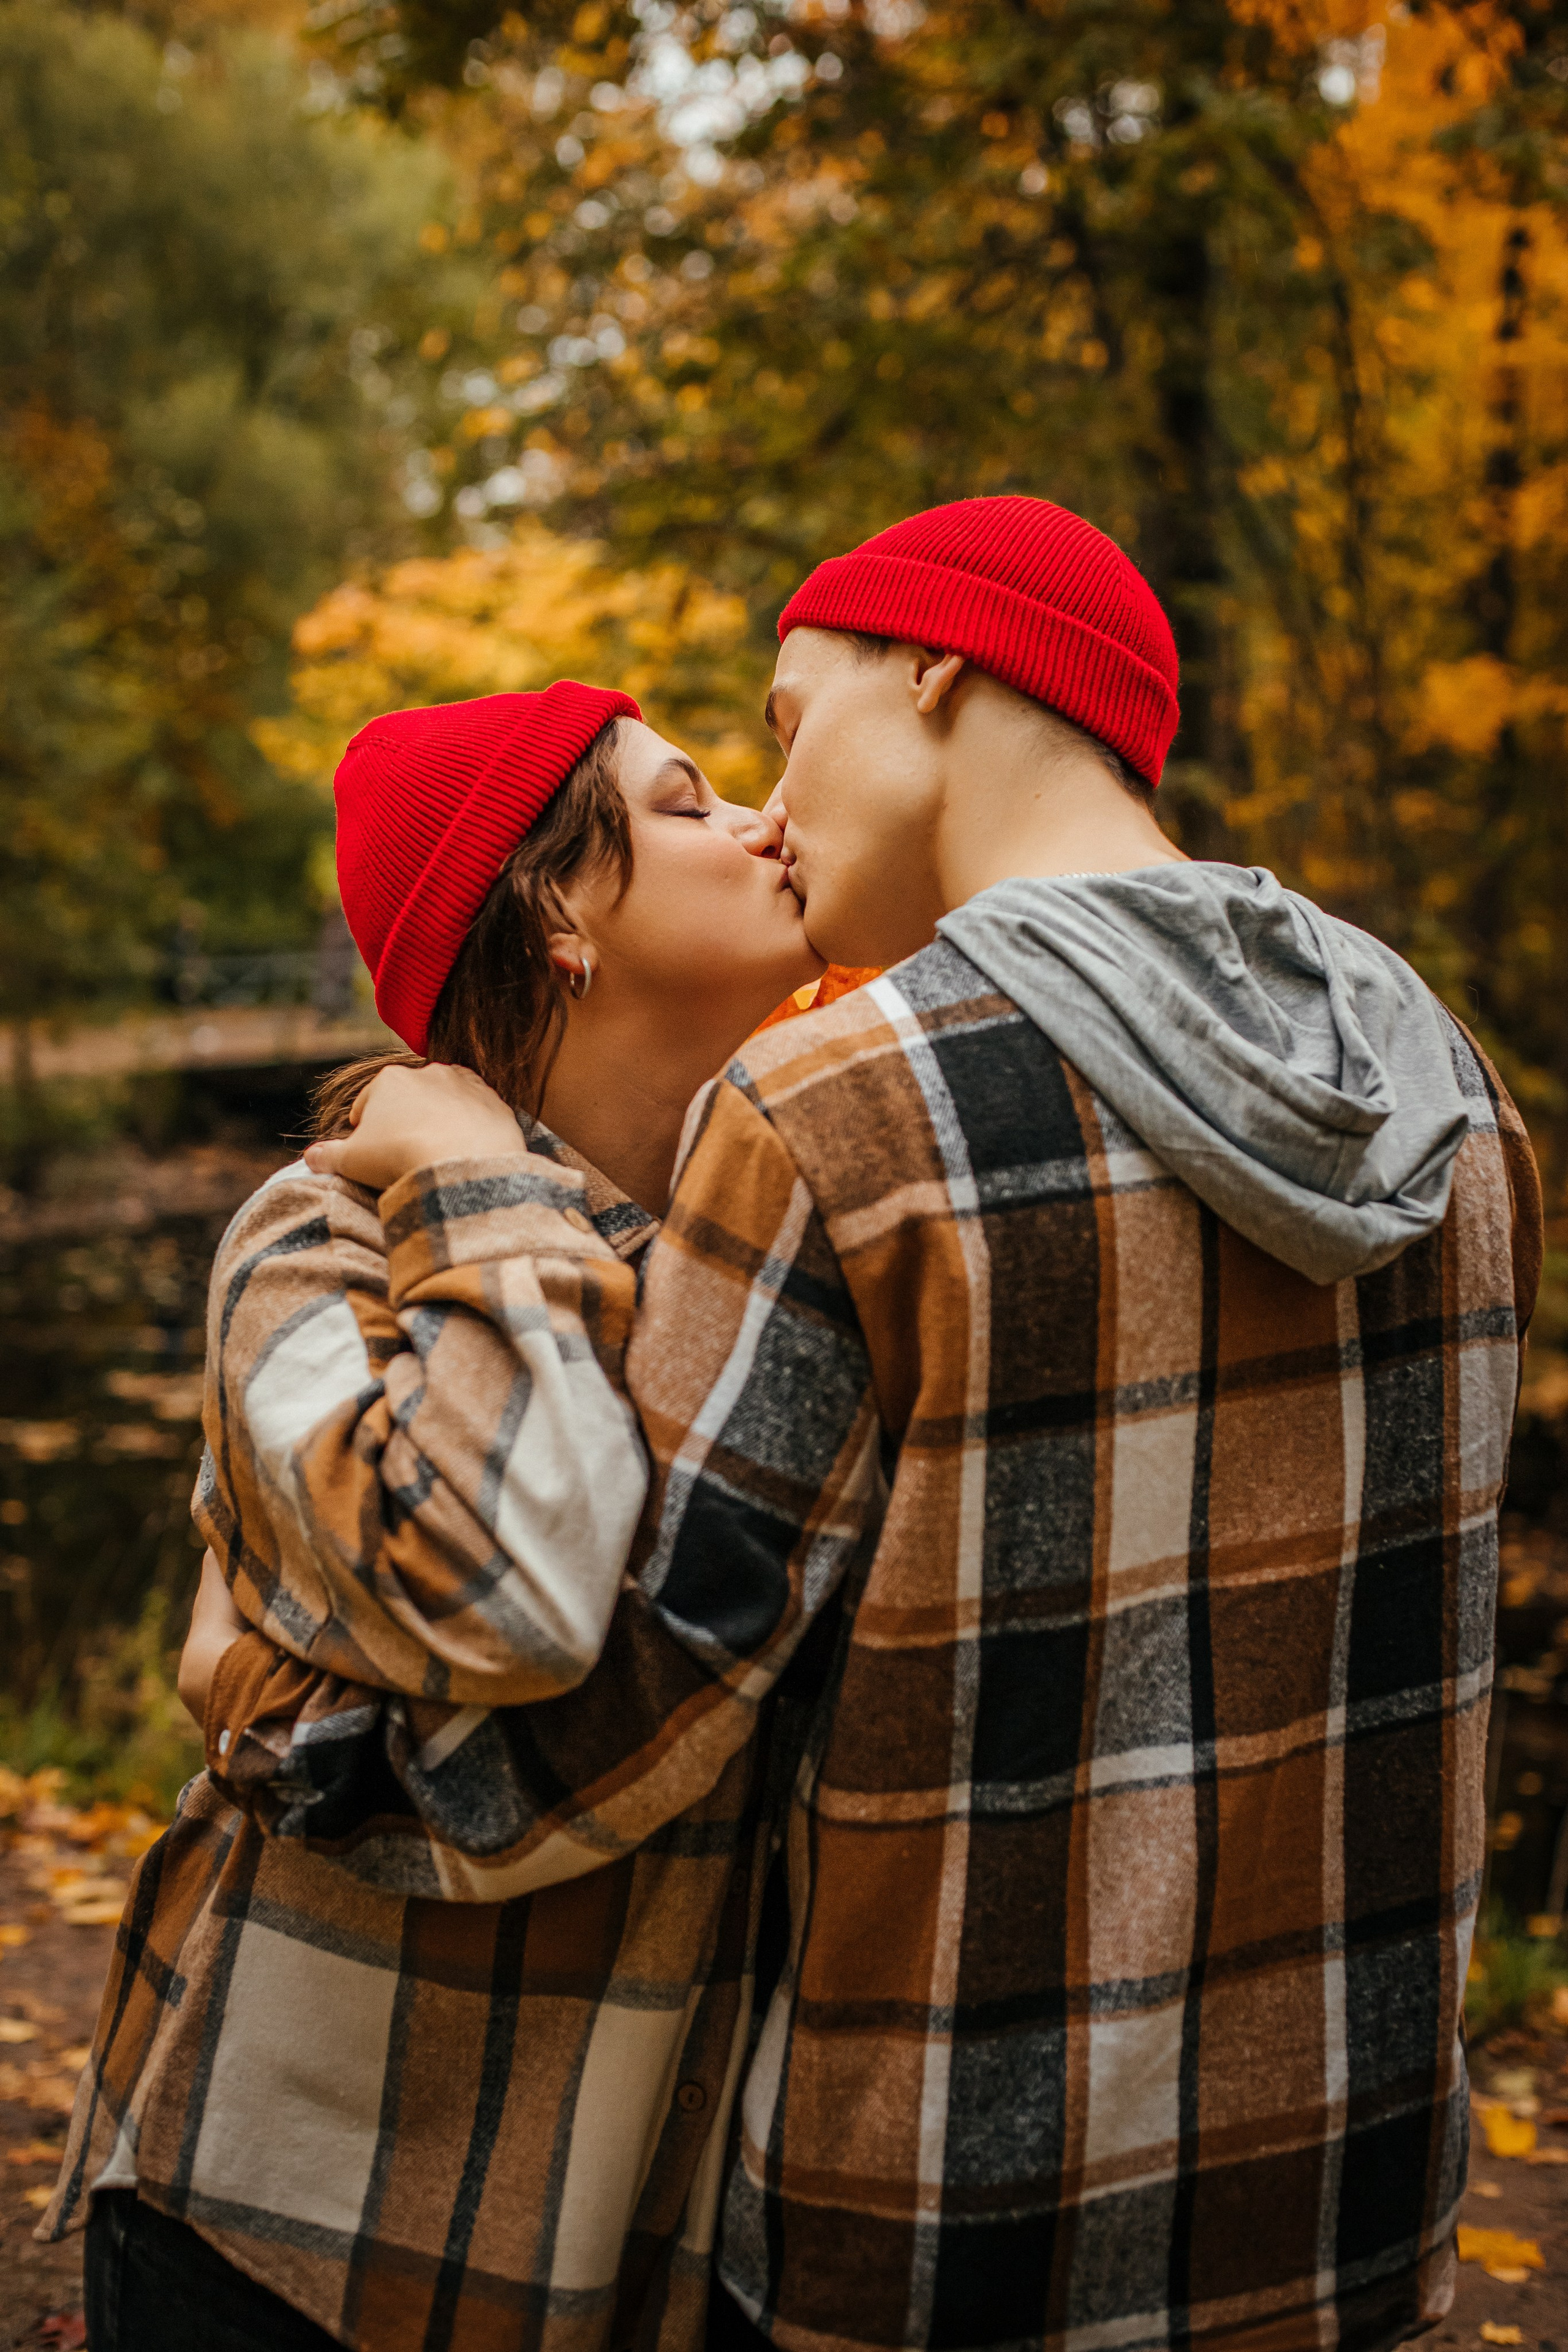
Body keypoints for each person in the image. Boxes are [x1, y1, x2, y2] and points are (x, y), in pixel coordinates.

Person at [170, 500, 1541, 2352]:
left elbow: (605, 1741)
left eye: (787, 720)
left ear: (934, 669)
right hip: (1347, 2199)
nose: (775, 803)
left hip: (941, 2234)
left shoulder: (847, 1108)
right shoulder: (1445, 1092)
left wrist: (262, 1693)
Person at [41, 681, 830, 2352]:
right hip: (287, 2244)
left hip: (597, 2269)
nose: (767, 822)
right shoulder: (322, 1234)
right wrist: (477, 1172)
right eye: (689, 805)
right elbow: (510, 1594)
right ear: (555, 913)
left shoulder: (757, 1247)